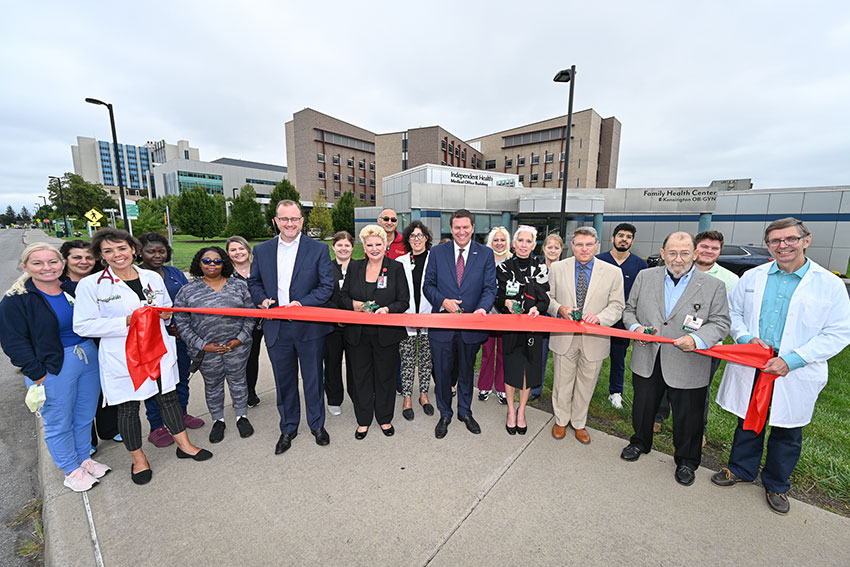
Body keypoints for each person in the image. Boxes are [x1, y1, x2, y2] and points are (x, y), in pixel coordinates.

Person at [712, 218, 850, 514]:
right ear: (767, 245)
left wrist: (792, 360)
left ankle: (777, 484)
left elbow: (839, 332)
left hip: (795, 365)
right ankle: (741, 470)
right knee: (749, 418)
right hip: (755, 360)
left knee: (788, 428)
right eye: (775, 241)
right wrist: (747, 338)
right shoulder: (753, 276)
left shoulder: (829, 284)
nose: (782, 246)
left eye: (790, 239)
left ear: (806, 240)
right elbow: (733, 312)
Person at [74, 228, 212, 486]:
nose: (117, 255)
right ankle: (138, 460)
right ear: (101, 256)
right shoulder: (91, 285)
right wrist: (126, 321)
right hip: (125, 357)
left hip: (158, 350)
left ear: (133, 249)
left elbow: (167, 306)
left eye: (122, 248)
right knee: (128, 409)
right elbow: (83, 325)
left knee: (169, 399)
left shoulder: (151, 277)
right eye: (109, 251)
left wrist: (165, 314)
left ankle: (184, 446)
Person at [620, 231, 730, 487]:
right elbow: (629, 310)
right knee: (643, 407)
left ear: (694, 254)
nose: (677, 259)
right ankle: (640, 443)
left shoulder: (713, 286)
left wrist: (697, 340)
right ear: (663, 254)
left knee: (688, 416)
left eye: (683, 253)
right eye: (672, 252)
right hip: (648, 357)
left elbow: (721, 322)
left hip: (688, 361)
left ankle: (687, 461)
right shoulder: (645, 277)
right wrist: (635, 328)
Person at [0, 243, 108, 492]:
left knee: (84, 414)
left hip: (87, 357)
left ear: (62, 264)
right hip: (53, 365)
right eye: (38, 263)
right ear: (24, 266)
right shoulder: (17, 300)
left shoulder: (73, 289)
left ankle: (84, 459)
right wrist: (36, 373)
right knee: (59, 419)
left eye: (52, 262)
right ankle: (70, 468)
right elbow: (13, 342)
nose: (47, 268)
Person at [248, 200, 335, 455]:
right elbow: (254, 282)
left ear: (301, 221)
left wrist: (302, 303)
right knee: (283, 381)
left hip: (309, 328)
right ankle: (288, 428)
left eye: (294, 219)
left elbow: (326, 286)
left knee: (313, 381)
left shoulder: (318, 249)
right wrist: (261, 299)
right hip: (277, 328)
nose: (289, 224)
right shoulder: (262, 250)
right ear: (276, 221)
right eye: (284, 219)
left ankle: (317, 425)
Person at [653, 230, 738, 442]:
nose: (709, 251)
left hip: (705, 346)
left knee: (699, 390)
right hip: (669, 340)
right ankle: (657, 416)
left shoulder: (730, 280)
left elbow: (729, 317)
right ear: (694, 250)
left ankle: (698, 430)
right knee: (662, 382)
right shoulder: (673, 272)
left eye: (714, 248)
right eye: (704, 247)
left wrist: (699, 338)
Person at [423, 209, 497, 439]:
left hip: (471, 327)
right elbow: (428, 285)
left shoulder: (485, 254)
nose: (461, 231)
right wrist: (443, 301)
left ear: (473, 228)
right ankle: (445, 413)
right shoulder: (437, 253)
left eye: (466, 227)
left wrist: (482, 309)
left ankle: (465, 411)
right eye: (457, 227)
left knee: (466, 371)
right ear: (451, 229)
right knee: (443, 373)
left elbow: (489, 288)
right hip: (442, 326)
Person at [548, 227, 624, 445]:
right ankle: (561, 420)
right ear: (572, 246)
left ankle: (579, 423)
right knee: (562, 381)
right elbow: (548, 297)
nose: (584, 249)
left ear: (597, 245)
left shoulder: (612, 272)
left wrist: (600, 318)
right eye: (579, 244)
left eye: (588, 244)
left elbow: (618, 305)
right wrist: (560, 308)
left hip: (595, 337)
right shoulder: (558, 268)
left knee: (586, 383)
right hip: (565, 335)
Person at [173, 247, 257, 444]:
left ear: (224, 263)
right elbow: (181, 322)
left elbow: (251, 314)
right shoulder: (188, 291)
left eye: (217, 261)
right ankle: (218, 419)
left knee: (238, 380)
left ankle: (241, 416)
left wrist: (240, 339)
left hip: (236, 346)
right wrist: (202, 345)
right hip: (206, 350)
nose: (212, 264)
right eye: (207, 261)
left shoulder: (238, 286)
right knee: (213, 384)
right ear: (199, 263)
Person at [339, 225, 409, 438]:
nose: (374, 248)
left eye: (378, 244)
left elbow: (404, 301)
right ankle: (363, 420)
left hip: (385, 334)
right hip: (357, 335)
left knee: (385, 377)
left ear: (385, 244)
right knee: (360, 377)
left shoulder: (395, 268)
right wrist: (356, 305)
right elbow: (342, 298)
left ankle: (385, 418)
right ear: (364, 246)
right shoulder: (355, 267)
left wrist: (388, 309)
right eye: (370, 245)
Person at [137, 232, 204, 448]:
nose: (157, 255)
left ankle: (181, 414)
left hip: (179, 335)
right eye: (151, 251)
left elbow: (188, 301)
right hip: (150, 339)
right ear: (140, 252)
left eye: (161, 251)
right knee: (155, 384)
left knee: (181, 377)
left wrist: (182, 326)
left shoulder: (174, 273)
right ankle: (156, 425)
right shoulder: (136, 276)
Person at [59, 240, 118, 452]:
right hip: (76, 348)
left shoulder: (104, 282)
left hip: (106, 341)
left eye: (89, 257)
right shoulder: (57, 286)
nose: (84, 262)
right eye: (77, 257)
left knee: (106, 388)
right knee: (82, 397)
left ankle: (110, 429)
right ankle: (88, 440)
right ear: (65, 260)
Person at [494, 226, 549, 435]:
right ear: (514, 244)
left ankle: (522, 411)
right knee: (512, 369)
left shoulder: (540, 268)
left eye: (529, 241)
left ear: (534, 245)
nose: (524, 245)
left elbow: (545, 298)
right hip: (511, 327)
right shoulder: (504, 268)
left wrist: (537, 307)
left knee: (528, 370)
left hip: (533, 327)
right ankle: (510, 410)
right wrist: (506, 303)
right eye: (521, 241)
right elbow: (497, 297)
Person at [596, 223, 647, 409]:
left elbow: (641, 293)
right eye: (620, 235)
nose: (623, 239)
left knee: (618, 358)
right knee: (592, 356)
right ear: (613, 238)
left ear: (632, 241)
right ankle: (587, 387)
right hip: (599, 316)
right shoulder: (598, 260)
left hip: (623, 319)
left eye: (628, 236)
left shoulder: (640, 264)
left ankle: (615, 392)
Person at [396, 221, 435, 421]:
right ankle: (407, 398)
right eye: (412, 236)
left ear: (426, 238)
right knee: (408, 361)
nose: (417, 239)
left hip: (429, 317)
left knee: (426, 361)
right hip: (408, 317)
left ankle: (424, 395)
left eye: (420, 235)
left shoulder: (434, 259)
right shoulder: (400, 261)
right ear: (408, 240)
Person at [227, 235, 264, 408]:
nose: (238, 252)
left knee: (253, 358)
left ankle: (251, 391)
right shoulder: (226, 273)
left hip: (263, 322)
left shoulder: (260, 268)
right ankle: (242, 394)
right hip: (239, 325)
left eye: (241, 248)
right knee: (242, 360)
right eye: (233, 250)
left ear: (248, 250)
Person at [478, 226, 512, 405]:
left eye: (502, 240)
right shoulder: (483, 259)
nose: (499, 243)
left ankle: (501, 388)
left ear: (508, 242)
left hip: (507, 316)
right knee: (487, 352)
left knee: (504, 354)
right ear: (491, 242)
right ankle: (484, 386)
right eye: (496, 240)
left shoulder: (513, 261)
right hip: (488, 313)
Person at [323, 231, 355, 415]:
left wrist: (349, 315)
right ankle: (334, 399)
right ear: (333, 247)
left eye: (347, 245)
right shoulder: (326, 267)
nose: (343, 248)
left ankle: (357, 395)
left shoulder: (359, 267)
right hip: (331, 326)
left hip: (354, 325)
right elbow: (322, 294)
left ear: (352, 247)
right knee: (333, 363)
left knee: (355, 363)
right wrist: (337, 315)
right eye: (340, 245)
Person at [532, 233, 564, 402]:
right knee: (540, 353)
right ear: (543, 248)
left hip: (560, 316)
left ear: (561, 249)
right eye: (549, 247)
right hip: (541, 315)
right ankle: (536, 388)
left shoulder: (567, 268)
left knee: (562, 356)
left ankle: (560, 393)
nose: (552, 250)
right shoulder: (536, 268)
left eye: (556, 247)